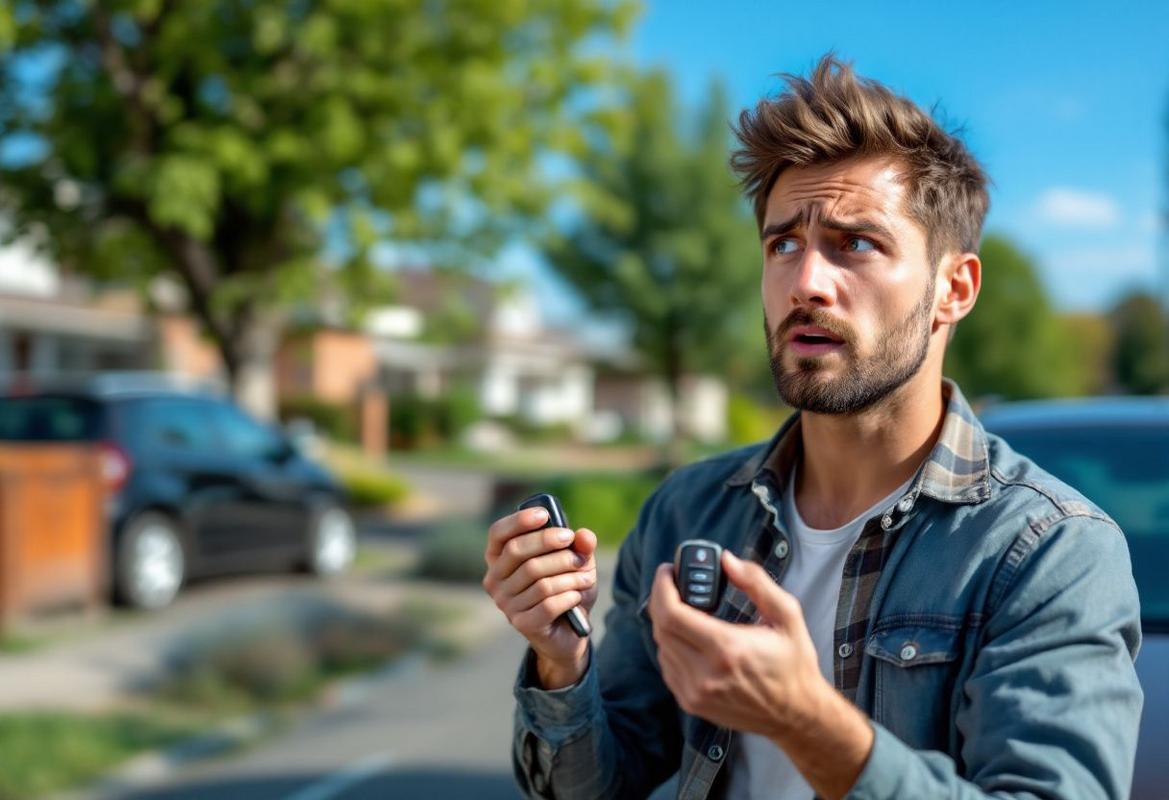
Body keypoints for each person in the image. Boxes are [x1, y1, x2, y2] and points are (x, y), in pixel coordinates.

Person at [481, 55, 1143, 800]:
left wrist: (807, 722)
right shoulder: (689, 510)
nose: (804, 283)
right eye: (782, 244)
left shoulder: (1047, 552)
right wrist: (559, 661)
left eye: (855, 243)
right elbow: (594, 786)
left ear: (952, 289)